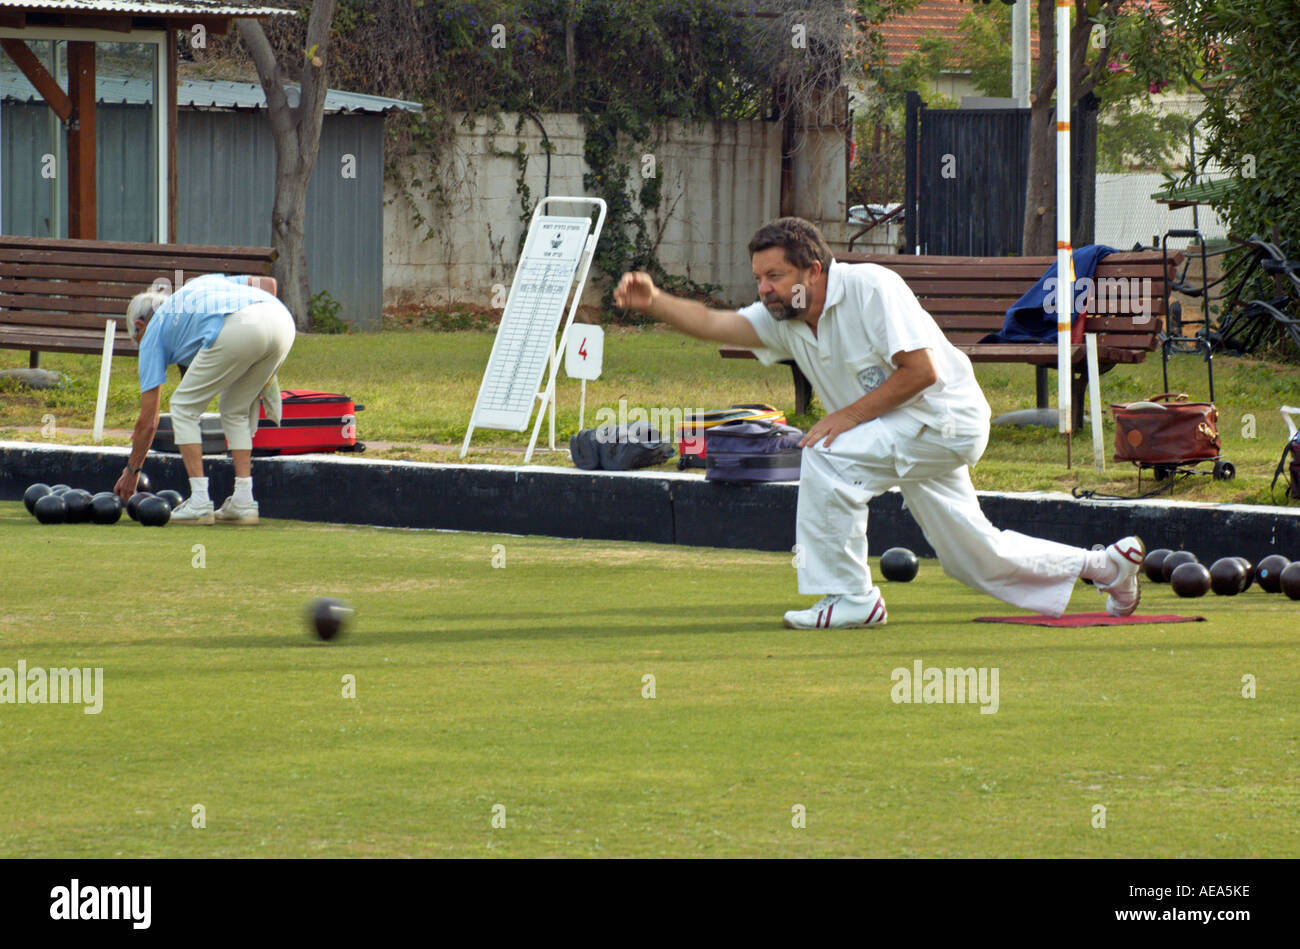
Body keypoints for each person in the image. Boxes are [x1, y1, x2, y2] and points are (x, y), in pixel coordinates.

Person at [613, 217, 1144, 628]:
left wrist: (843, 419)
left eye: (775, 276)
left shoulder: (871, 288)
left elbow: (920, 371)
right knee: (971, 557)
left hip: (942, 420)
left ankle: (852, 597)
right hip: (902, 432)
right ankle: (1105, 567)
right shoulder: (787, 318)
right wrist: (656, 301)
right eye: (758, 278)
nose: (765, 289)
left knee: (826, 453)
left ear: (813, 270)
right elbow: (714, 322)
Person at [113, 273, 296, 525]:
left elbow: (148, 421)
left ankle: (199, 502)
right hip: (281, 321)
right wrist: (259, 328)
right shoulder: (200, 287)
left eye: (136, 338)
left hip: (241, 324)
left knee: (182, 407)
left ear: (140, 325)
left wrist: (132, 471)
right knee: (234, 409)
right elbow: (270, 285)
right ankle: (244, 501)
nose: (139, 344)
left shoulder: (153, 332)